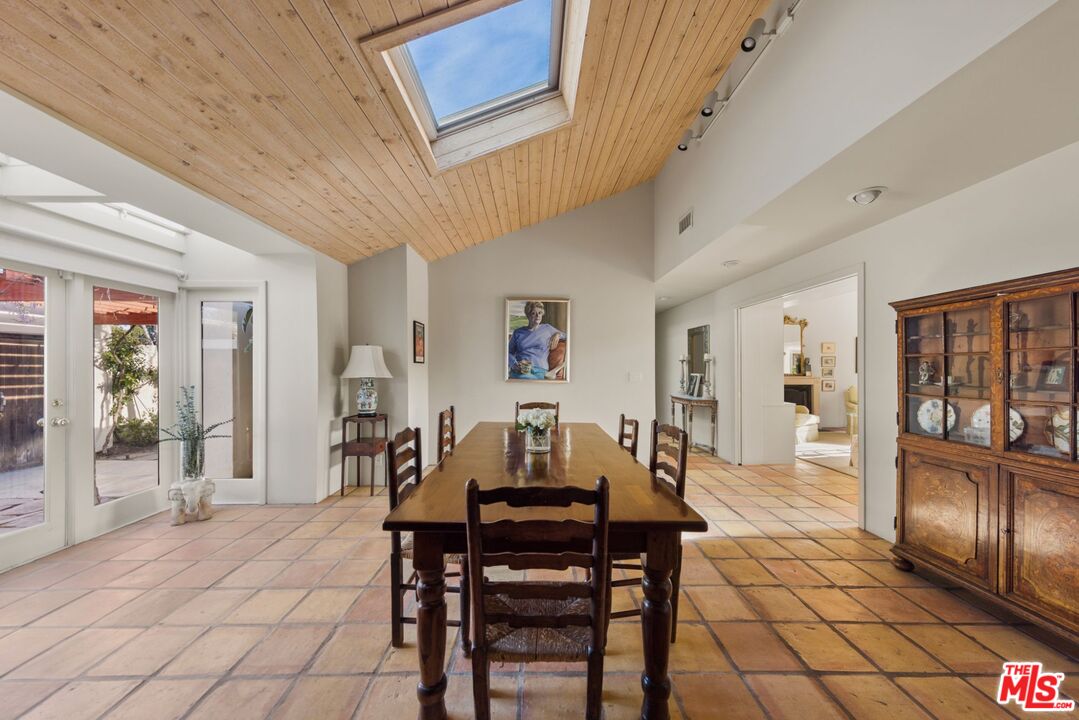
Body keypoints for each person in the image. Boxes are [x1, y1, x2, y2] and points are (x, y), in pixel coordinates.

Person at [508, 301, 565, 380]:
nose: (538, 316)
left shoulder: (547, 328)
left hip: (541, 370)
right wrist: (514, 365)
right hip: (521, 370)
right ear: (528, 315)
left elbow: (567, 336)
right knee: (526, 379)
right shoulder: (518, 332)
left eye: (540, 313)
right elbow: (508, 352)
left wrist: (558, 334)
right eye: (533, 313)